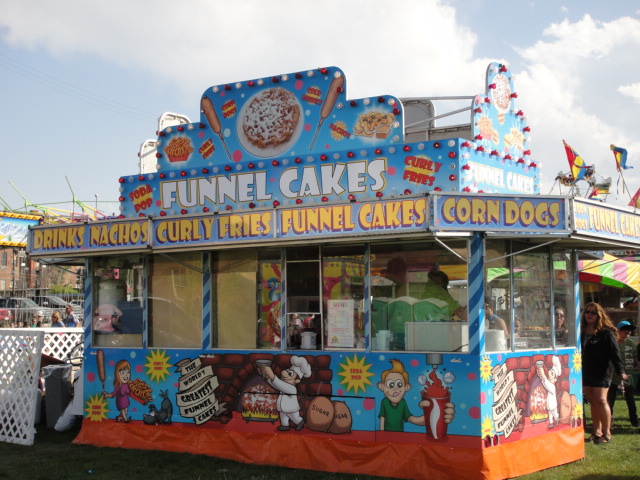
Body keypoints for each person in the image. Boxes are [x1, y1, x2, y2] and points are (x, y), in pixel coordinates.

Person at [581, 302, 627, 445]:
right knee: (592, 400)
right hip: (585, 371)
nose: (589, 314)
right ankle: (596, 432)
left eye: (593, 312)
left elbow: (615, 353)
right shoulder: (581, 331)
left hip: (602, 372)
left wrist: (621, 372)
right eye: (587, 312)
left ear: (599, 315)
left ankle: (607, 433)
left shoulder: (606, 332)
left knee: (601, 400)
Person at [606, 320, 638, 428]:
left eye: (629, 333)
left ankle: (634, 420)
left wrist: (636, 365)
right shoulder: (612, 342)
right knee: (610, 399)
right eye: (625, 333)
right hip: (613, 376)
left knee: (630, 399)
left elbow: (636, 357)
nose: (627, 335)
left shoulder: (631, 344)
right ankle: (609, 420)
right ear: (618, 331)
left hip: (627, 376)